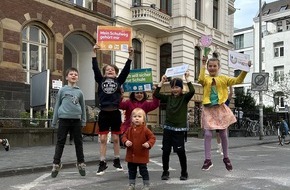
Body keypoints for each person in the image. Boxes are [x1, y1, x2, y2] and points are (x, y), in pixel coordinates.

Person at [198, 56, 250, 172]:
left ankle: (226, 157)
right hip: (208, 109)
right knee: (207, 134)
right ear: (207, 67)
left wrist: (245, 70)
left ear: (218, 67)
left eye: (214, 66)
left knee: (223, 134)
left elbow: (238, 80)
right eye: (210, 66)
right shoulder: (206, 79)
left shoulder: (223, 78)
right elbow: (200, 79)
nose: (212, 68)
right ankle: (208, 160)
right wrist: (202, 64)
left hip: (220, 109)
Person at [92, 44, 134, 175]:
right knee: (103, 139)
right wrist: (94, 53)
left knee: (116, 139)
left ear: (116, 74)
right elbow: (95, 69)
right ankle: (102, 163)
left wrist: (130, 56)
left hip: (115, 112)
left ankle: (117, 160)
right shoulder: (100, 80)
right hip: (104, 112)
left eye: (113, 70)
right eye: (107, 69)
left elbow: (126, 70)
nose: (110, 71)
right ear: (104, 73)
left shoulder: (119, 82)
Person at [154, 71, 195, 181]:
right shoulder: (168, 98)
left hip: (179, 130)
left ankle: (184, 172)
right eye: (173, 87)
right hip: (168, 129)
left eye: (177, 87)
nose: (175, 89)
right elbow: (156, 94)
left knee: (181, 152)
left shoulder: (184, 98)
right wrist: (161, 82)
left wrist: (187, 79)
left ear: (181, 89)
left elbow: (192, 91)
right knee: (166, 151)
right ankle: (165, 171)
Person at [51, 67, 87, 178]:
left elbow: (83, 106)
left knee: (79, 142)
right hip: (63, 120)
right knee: (60, 142)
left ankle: (80, 163)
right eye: (71, 74)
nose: (73, 76)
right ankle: (56, 164)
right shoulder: (62, 90)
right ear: (67, 77)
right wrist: (54, 120)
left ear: (78, 77)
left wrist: (83, 121)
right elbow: (57, 105)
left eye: (76, 74)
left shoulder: (80, 92)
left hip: (76, 120)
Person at [122, 108, 156, 190]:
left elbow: (152, 138)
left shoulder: (145, 130)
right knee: (131, 171)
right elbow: (123, 137)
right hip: (131, 156)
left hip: (142, 155)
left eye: (139, 116)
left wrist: (148, 143)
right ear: (131, 119)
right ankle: (131, 184)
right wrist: (126, 141)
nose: (137, 118)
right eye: (135, 116)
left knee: (143, 171)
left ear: (143, 119)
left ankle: (146, 185)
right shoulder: (129, 129)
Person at [216, 86, 233, 155]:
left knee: (223, 135)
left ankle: (223, 148)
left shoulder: (226, 102)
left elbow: (231, 93)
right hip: (217, 119)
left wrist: (231, 86)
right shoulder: (216, 102)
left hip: (224, 120)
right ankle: (219, 147)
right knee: (217, 134)